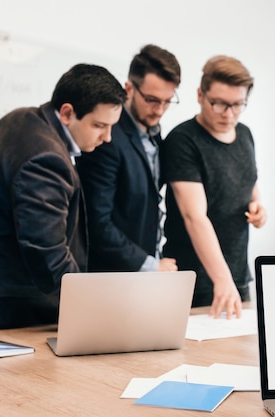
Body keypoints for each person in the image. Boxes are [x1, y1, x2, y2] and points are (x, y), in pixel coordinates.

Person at [0, 64, 127, 332]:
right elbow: (47, 251)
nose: (108, 137)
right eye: (99, 125)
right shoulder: (46, 158)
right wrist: (89, 311)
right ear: (67, 113)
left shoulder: (24, 119)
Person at [162, 55, 267, 319]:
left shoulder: (245, 134)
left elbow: (249, 180)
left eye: (237, 105)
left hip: (237, 276)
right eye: (219, 104)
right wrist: (221, 279)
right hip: (195, 281)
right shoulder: (182, 140)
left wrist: (258, 205)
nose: (228, 114)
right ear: (200, 95)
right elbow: (194, 216)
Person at [75, 45, 180, 272]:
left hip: (141, 274)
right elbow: (97, 223)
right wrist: (150, 266)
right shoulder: (106, 137)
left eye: (167, 100)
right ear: (129, 89)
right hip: (110, 277)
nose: (160, 109)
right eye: (152, 99)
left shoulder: (153, 134)